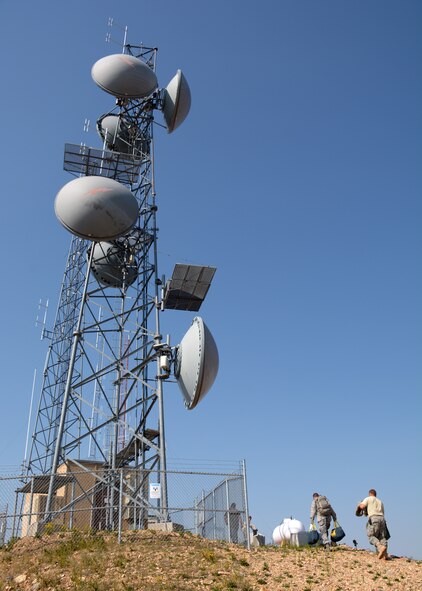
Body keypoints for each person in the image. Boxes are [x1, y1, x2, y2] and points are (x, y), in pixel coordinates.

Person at [357, 489, 389, 559]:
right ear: (375, 494)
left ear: (369, 494)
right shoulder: (380, 501)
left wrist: (359, 505)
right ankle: (385, 554)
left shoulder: (368, 499)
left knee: (371, 536)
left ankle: (380, 548)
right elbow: (383, 513)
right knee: (382, 537)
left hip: (374, 518)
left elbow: (362, 506)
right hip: (382, 519)